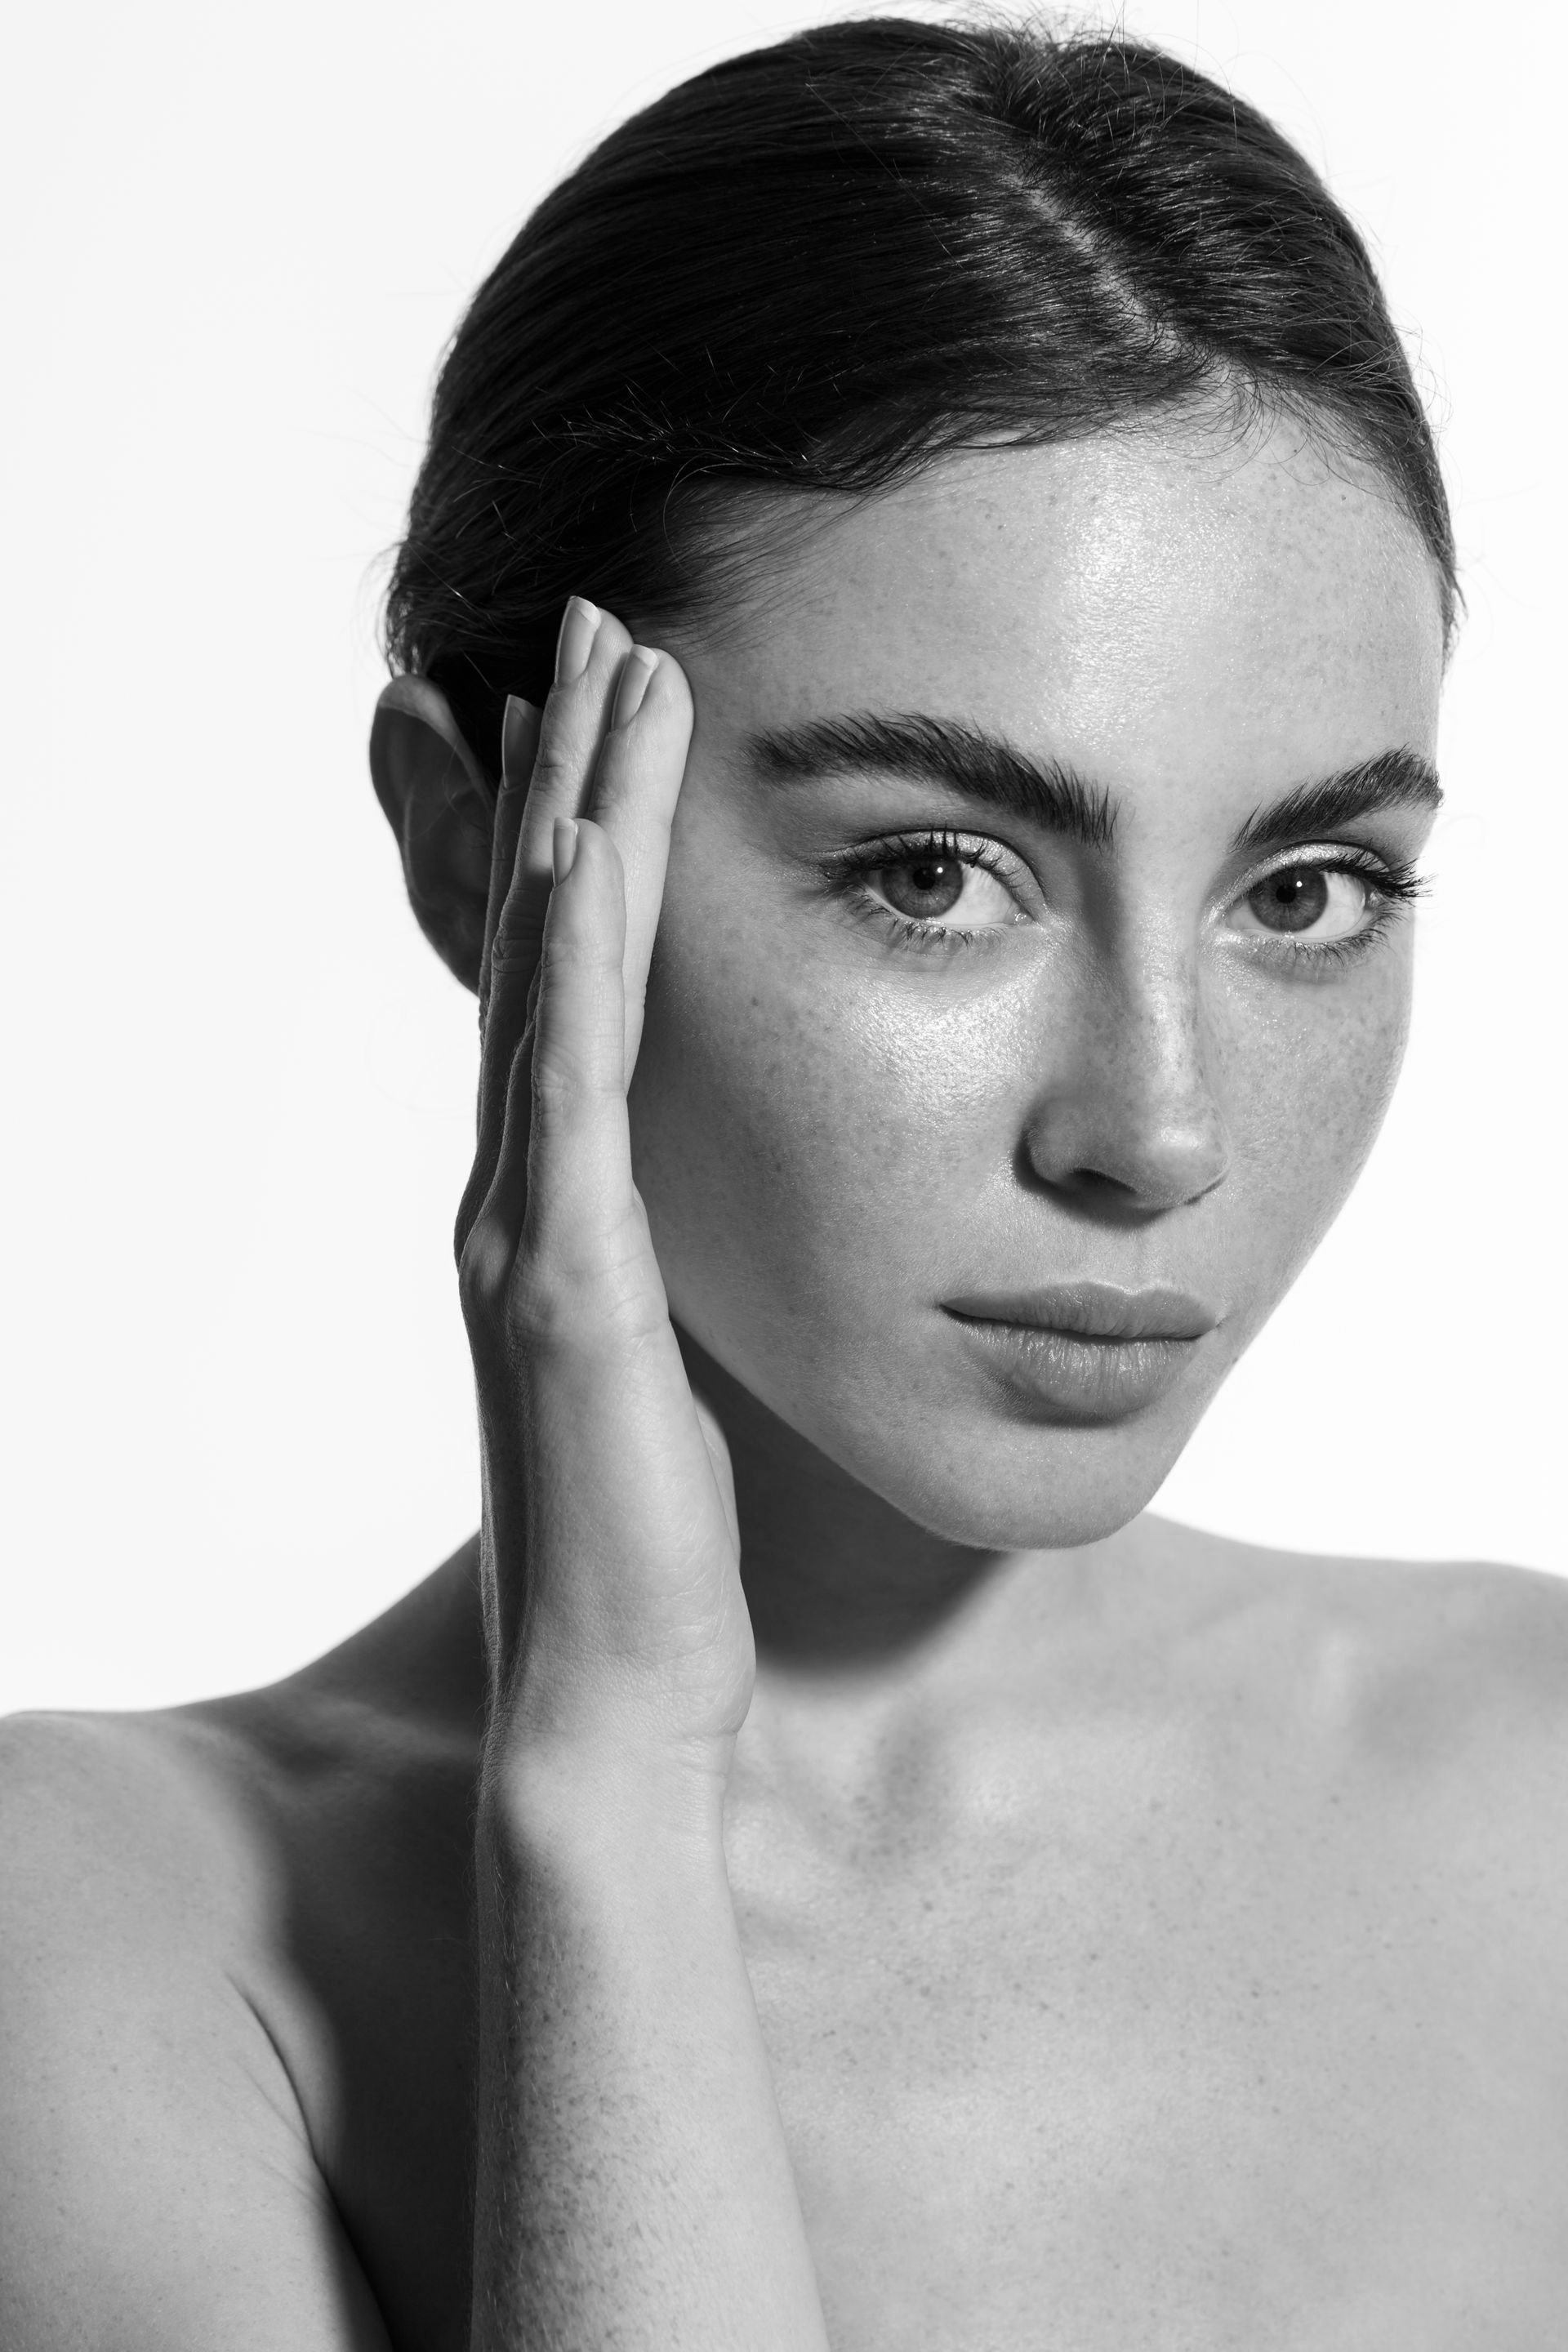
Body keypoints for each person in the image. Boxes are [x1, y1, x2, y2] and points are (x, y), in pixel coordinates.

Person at [3, 15, 1565, 2347]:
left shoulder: (1540, 1788)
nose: (1157, 1130)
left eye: (1307, 888)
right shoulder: (116, 1951)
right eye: (938, 875)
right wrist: (612, 1777)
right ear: (482, 849)